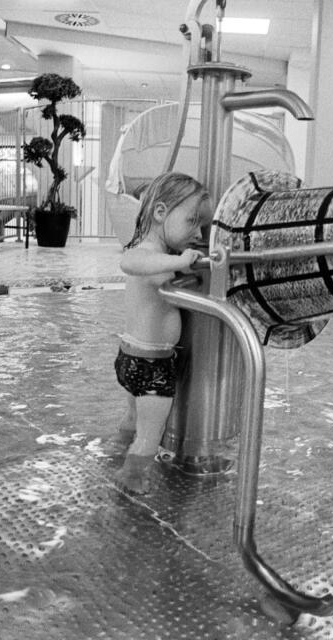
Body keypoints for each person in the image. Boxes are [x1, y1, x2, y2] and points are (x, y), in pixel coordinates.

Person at [109, 171, 209, 493]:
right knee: (150, 436)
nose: (198, 232)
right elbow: (130, 261)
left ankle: (115, 451)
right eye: (192, 221)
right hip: (151, 366)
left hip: (132, 358)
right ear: (161, 212)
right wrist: (179, 261)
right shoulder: (147, 251)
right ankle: (131, 482)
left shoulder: (159, 254)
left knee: (133, 419)